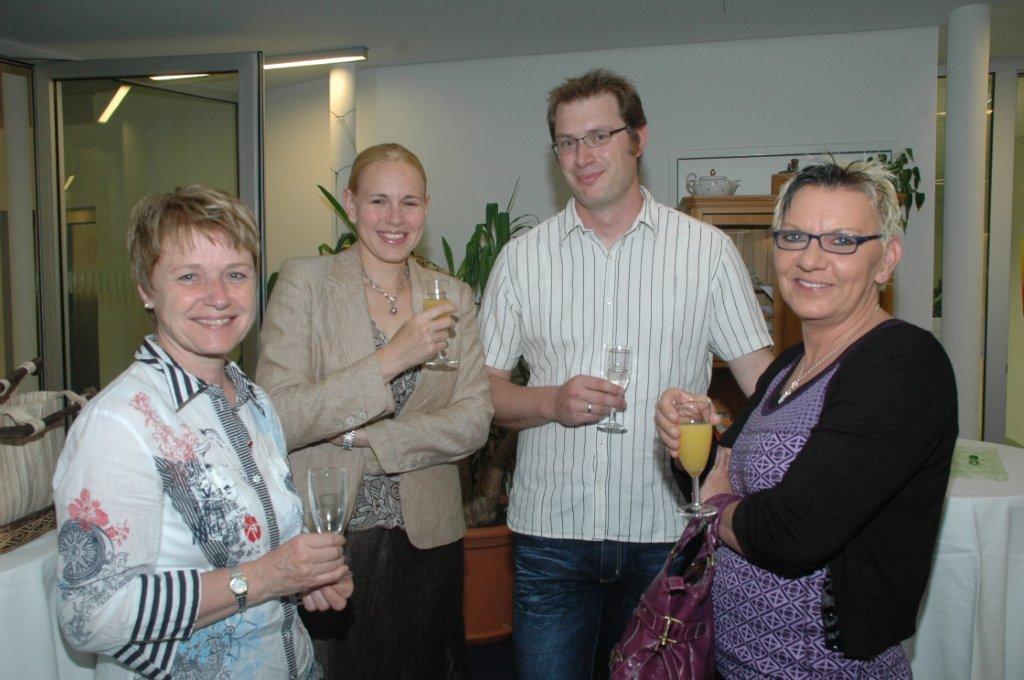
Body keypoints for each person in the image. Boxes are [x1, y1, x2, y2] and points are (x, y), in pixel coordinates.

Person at [478, 69, 774, 679]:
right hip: (551, 538)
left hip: (665, 535)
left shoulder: (706, 252)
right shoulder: (521, 260)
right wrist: (550, 403)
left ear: (638, 138)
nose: (582, 156)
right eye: (567, 142)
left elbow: (763, 385)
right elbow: (485, 393)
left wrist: (726, 431)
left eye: (600, 136)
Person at [656, 159, 958, 677]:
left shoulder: (904, 364)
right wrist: (690, 431)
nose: (810, 260)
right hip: (731, 659)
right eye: (794, 237)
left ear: (886, 259)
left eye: (841, 241)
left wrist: (717, 500)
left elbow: (791, 535)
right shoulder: (790, 365)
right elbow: (704, 473)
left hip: (825, 667)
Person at [53, 186, 352, 680]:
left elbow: (262, 549)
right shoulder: (119, 424)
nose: (218, 296)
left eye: (235, 274)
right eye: (189, 276)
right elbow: (90, 617)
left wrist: (305, 579)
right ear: (146, 289)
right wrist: (264, 577)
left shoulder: (254, 401)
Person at [256, 142, 493, 679]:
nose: (394, 218)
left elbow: (473, 421)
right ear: (351, 204)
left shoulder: (452, 297)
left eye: (409, 202)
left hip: (428, 540)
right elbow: (279, 416)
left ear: (426, 208)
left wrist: (364, 438)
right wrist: (391, 358)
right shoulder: (306, 283)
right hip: (329, 542)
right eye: (378, 201)